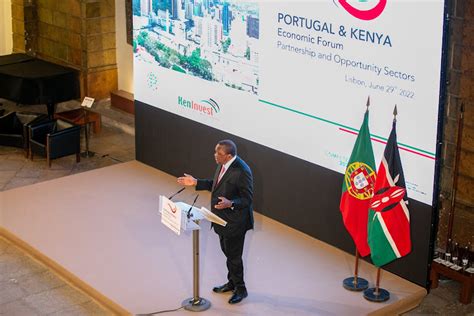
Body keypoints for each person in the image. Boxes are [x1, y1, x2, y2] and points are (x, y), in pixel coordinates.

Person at [177, 139, 253, 304]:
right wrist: (196, 182)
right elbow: (216, 185)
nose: (214, 156)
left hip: (235, 222)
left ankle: (241, 289)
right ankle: (232, 282)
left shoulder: (242, 171)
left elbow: (247, 200)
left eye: (218, 153)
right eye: (215, 152)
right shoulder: (223, 164)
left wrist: (231, 203)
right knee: (227, 253)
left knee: (234, 257)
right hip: (220, 219)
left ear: (229, 155)